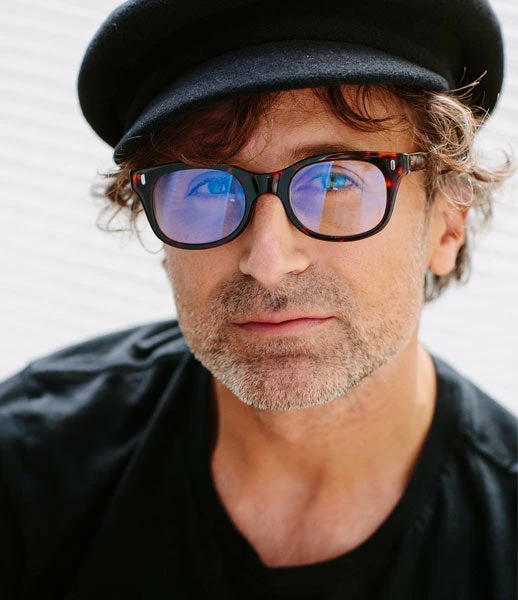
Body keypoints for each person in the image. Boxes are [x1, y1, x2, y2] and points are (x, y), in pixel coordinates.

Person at [0, 0, 516, 598]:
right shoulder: (30, 467)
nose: (268, 263)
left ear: (448, 225)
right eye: (206, 185)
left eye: (335, 179)